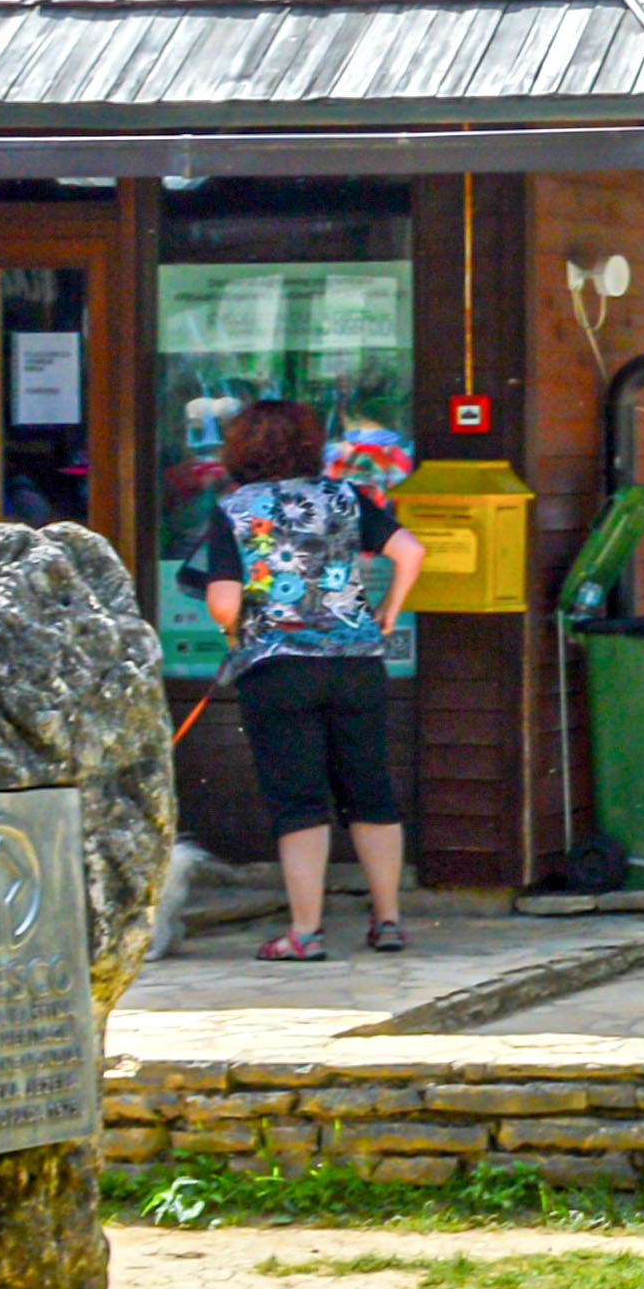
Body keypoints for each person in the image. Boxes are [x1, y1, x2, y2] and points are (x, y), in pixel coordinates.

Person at [193, 402, 429, 959]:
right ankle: (389, 920)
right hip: (357, 663)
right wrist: (389, 613)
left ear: (241, 449)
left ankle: (305, 932)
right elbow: (411, 551)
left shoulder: (235, 508)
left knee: (299, 800)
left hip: (278, 668)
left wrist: (235, 632)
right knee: (370, 789)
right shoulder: (346, 497)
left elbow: (223, 604)